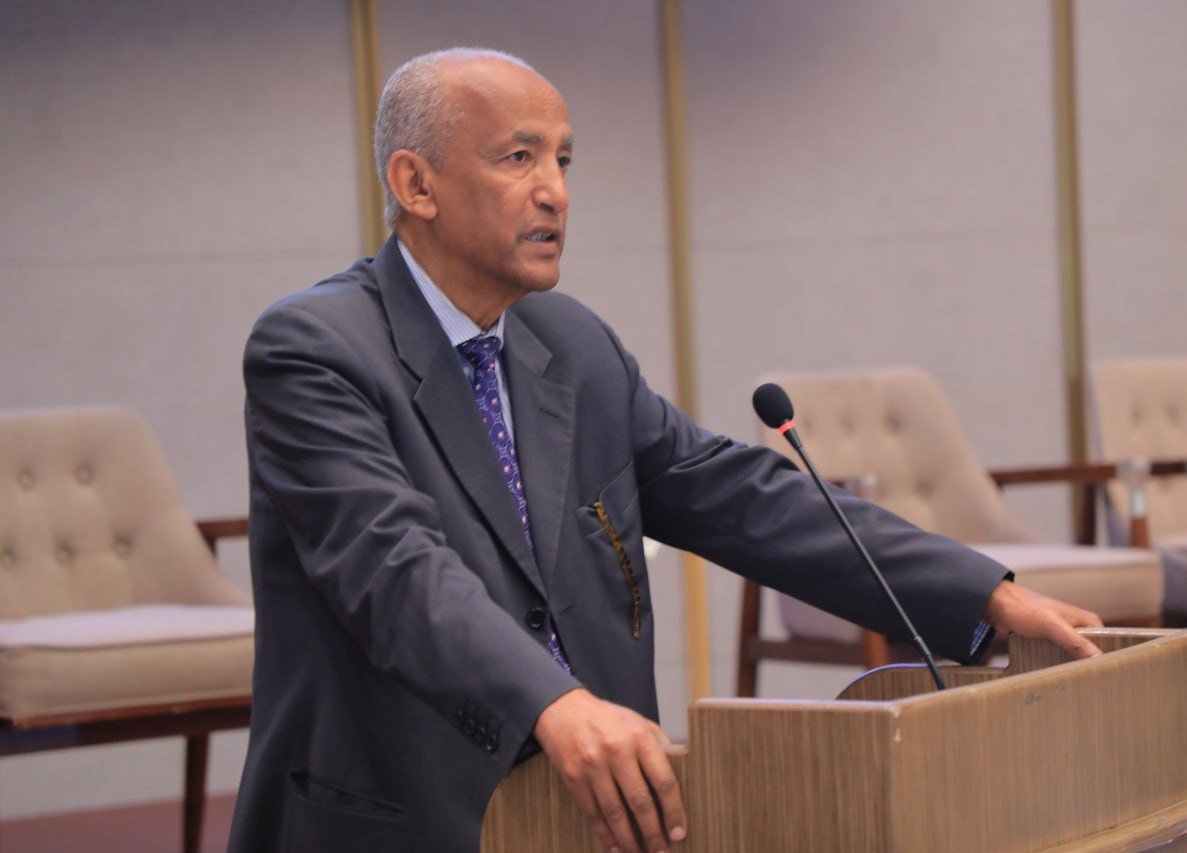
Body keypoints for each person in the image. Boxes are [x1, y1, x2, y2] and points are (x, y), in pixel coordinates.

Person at [228, 47, 1102, 853]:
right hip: (403, 816)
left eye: (563, 160)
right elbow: (393, 568)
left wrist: (980, 592)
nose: (554, 191)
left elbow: (735, 493)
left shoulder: (570, 343)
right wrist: (553, 701)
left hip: (597, 815)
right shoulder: (315, 350)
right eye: (518, 157)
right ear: (415, 184)